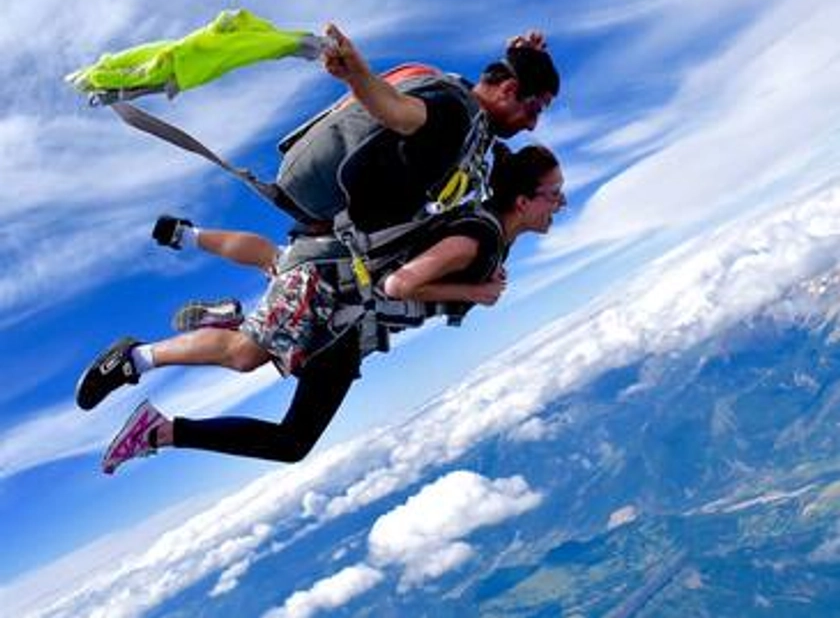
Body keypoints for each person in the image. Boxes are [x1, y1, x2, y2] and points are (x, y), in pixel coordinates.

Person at [76, 145, 566, 473]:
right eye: (554, 195)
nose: (561, 203)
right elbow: (399, 284)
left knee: (272, 276)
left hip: (340, 308)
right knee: (249, 357)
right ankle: (137, 361)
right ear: (522, 200)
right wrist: (473, 294)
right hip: (336, 310)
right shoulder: (480, 239)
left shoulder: (487, 229)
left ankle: (204, 306)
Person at [272, 25, 560, 233]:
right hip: (327, 211)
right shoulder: (453, 112)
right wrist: (357, 75)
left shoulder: (463, 103)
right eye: (535, 109)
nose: (533, 124)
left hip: (319, 207)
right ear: (508, 90)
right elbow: (398, 111)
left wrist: (521, 57)